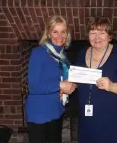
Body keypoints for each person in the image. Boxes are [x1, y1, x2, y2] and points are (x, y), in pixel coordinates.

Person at [75, 17, 117, 143]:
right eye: (93, 33)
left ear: (109, 36)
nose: (97, 37)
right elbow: (78, 80)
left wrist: (112, 86)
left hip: (111, 120)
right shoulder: (81, 53)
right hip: (87, 120)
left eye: (102, 33)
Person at [26, 15, 77, 143]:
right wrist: (60, 85)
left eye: (63, 32)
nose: (59, 36)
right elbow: (33, 86)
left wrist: (72, 85)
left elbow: (65, 80)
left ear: (67, 34)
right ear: (48, 33)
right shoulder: (39, 53)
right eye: (55, 31)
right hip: (39, 114)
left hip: (56, 110)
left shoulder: (63, 57)